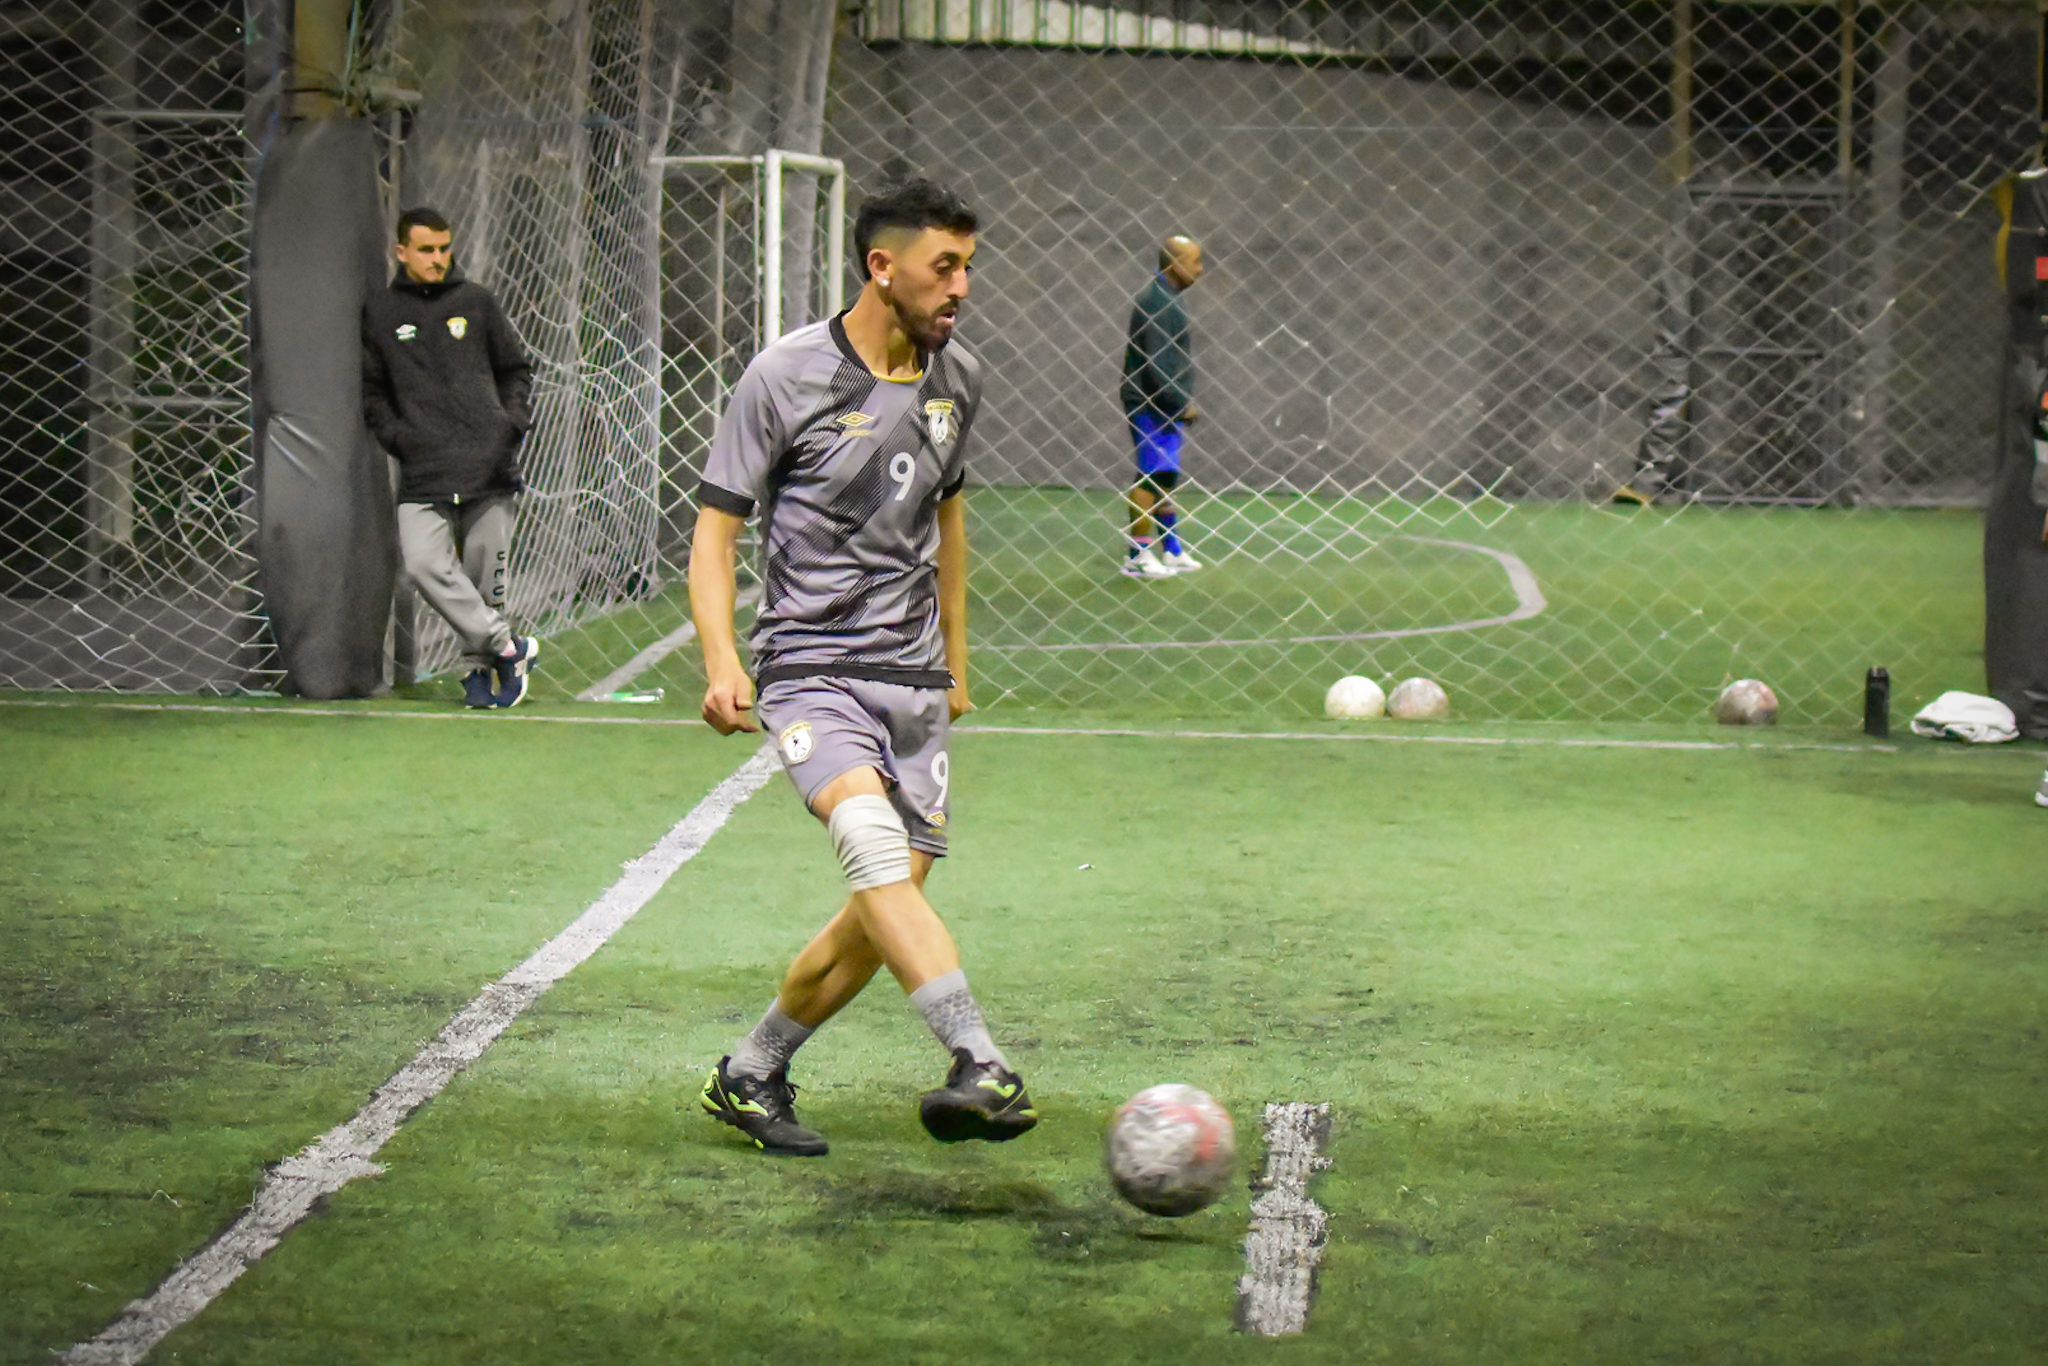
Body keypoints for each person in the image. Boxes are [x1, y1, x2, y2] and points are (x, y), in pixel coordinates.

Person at [688, 178, 1035, 1157]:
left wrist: (955, 663)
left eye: (967, 266)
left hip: (912, 679)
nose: (961, 286)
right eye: (943, 267)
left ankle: (750, 1070)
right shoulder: (783, 375)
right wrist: (722, 660)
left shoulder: (958, 378)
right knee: (874, 850)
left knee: (883, 910)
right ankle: (979, 1059)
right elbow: (715, 533)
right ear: (882, 267)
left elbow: (947, 521)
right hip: (811, 667)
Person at [362, 206, 540, 708]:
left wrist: (510, 425)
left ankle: (478, 675)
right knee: (423, 565)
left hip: (489, 467)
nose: (437, 258)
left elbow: (515, 369)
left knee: (485, 584)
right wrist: (400, 438)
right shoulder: (381, 311)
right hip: (424, 470)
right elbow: (372, 391)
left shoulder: (476, 303)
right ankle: (510, 647)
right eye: (426, 250)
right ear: (401, 252)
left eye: (443, 249)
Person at [1119, 234, 1205, 578]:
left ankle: (1171, 550)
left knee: (1165, 475)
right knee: (1150, 476)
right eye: (1195, 262)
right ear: (1174, 265)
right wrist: (1179, 402)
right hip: (1150, 403)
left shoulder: (1168, 298)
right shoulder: (1158, 302)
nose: (1200, 269)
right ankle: (1138, 555)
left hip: (1163, 404)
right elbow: (1157, 361)